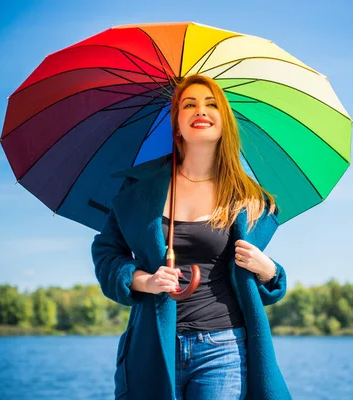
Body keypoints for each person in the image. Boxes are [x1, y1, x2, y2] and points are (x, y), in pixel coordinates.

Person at [92, 75, 290, 400]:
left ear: (224, 122)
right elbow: (106, 255)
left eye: (211, 104)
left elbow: (265, 287)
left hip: (224, 347)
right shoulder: (139, 189)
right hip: (154, 347)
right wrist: (144, 280)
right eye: (190, 104)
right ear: (177, 124)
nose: (201, 110)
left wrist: (268, 270)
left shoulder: (249, 198)